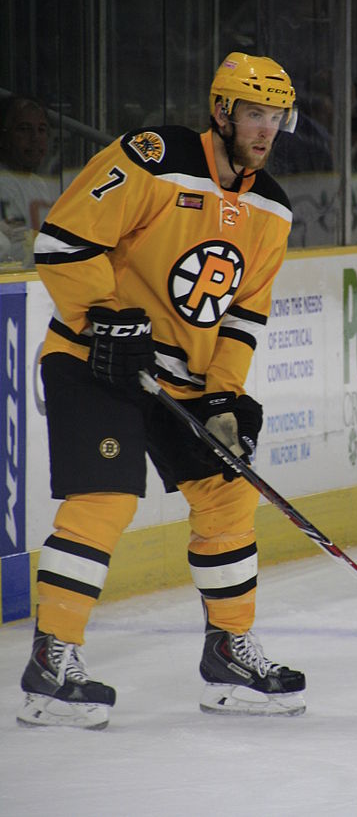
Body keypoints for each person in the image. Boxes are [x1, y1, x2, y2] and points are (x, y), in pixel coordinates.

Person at [17, 52, 306, 729]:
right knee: (105, 500)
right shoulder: (154, 156)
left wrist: (227, 397)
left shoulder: (273, 208)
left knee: (229, 492)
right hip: (94, 359)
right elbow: (61, 241)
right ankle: (51, 663)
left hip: (181, 380)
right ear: (222, 111)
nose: (265, 130)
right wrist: (104, 318)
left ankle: (229, 655)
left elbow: (242, 314)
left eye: (277, 117)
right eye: (254, 114)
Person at [0, 95, 58, 268]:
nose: (35, 138)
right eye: (24, 129)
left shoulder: (39, 184)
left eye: (41, 130)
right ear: (3, 137)